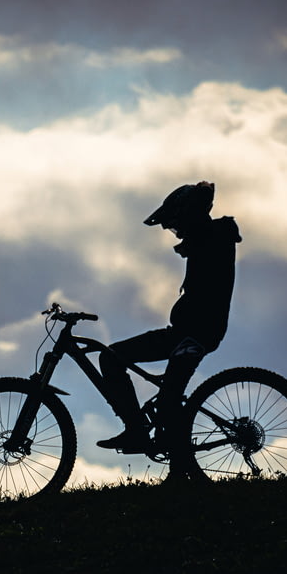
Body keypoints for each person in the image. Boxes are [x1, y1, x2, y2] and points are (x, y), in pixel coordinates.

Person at [96, 181, 242, 453]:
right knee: (111, 357)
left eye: (176, 224)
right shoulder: (209, 237)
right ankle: (137, 431)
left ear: (190, 216)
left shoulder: (214, 237)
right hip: (183, 333)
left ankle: (175, 466)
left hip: (196, 335)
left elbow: (202, 243)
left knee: (167, 403)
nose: (175, 232)